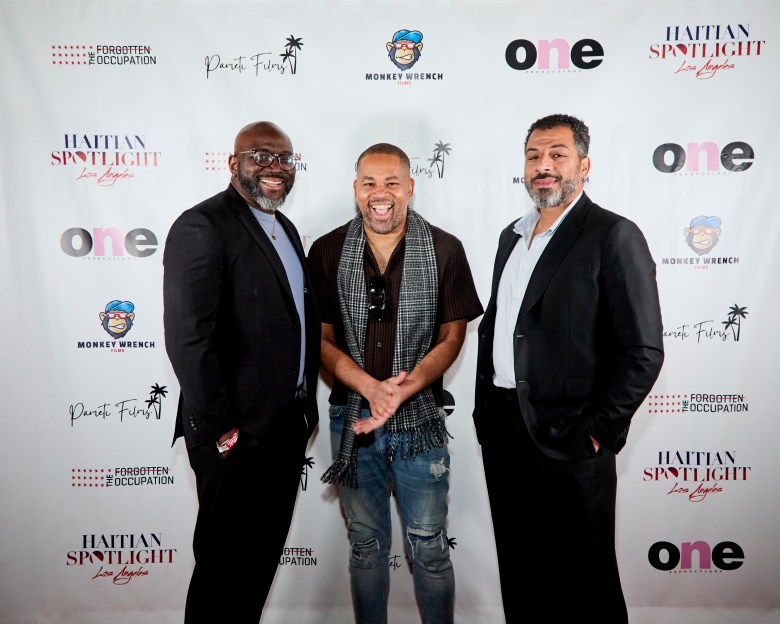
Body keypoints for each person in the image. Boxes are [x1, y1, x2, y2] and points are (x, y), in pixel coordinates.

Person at [473, 114, 664, 623]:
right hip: (506, 429)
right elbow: (501, 327)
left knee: (586, 582)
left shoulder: (613, 235)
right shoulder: (510, 237)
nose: (544, 166)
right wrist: (487, 412)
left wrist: (596, 432)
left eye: (557, 154)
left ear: (584, 164)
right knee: (522, 572)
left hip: (573, 435)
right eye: (534, 156)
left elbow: (642, 351)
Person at [307, 143, 483, 624]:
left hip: (420, 420)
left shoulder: (446, 248)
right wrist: (369, 386)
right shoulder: (324, 250)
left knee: (429, 544)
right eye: (369, 183)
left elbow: (453, 336)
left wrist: (401, 390)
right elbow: (319, 340)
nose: (380, 194)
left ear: (410, 187)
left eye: (391, 183)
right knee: (365, 544)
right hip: (352, 419)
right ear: (356, 189)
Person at [163, 121, 320, 623]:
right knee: (223, 573)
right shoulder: (202, 225)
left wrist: (303, 411)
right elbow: (190, 338)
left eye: (284, 159)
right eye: (260, 155)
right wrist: (221, 431)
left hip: (282, 430)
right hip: (235, 436)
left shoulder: (284, 228)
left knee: (255, 570)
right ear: (233, 164)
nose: (275, 167)